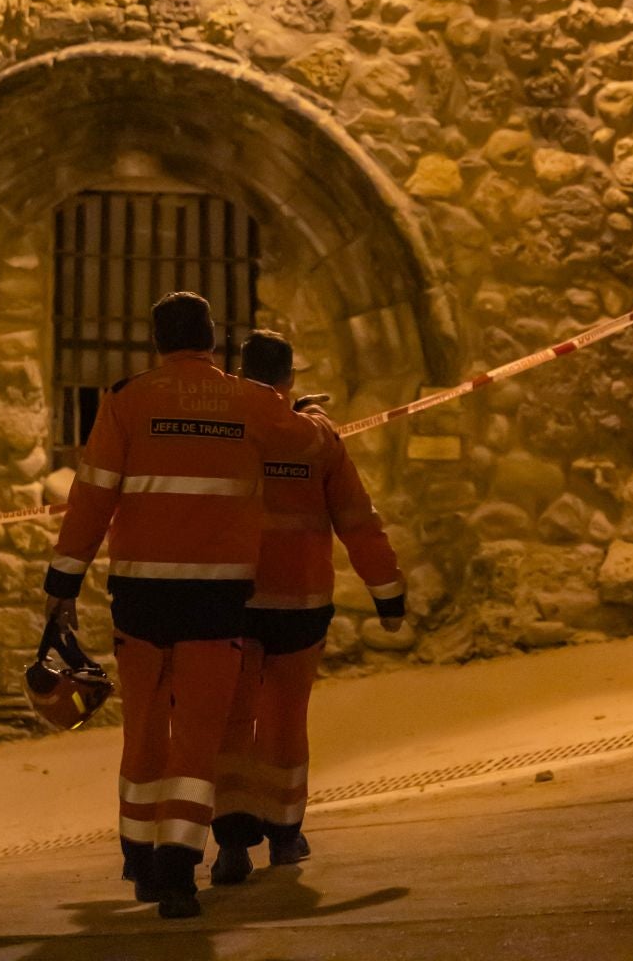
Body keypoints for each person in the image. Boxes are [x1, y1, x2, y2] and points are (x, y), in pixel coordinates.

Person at [42, 290, 325, 921]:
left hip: (141, 596)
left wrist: (62, 582)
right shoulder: (249, 401)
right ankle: (178, 874)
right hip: (218, 599)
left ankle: (138, 857)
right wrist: (294, 407)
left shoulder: (127, 400)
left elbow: (91, 497)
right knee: (199, 732)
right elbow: (307, 444)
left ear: (157, 345)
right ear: (215, 344)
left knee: (144, 725)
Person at [211, 329, 405, 883]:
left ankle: (231, 845)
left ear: (237, 377)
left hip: (233, 601)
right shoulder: (318, 439)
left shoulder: (223, 432)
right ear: (289, 379)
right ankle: (286, 834)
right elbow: (358, 521)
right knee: (286, 721)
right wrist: (388, 593)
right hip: (300, 604)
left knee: (232, 723)